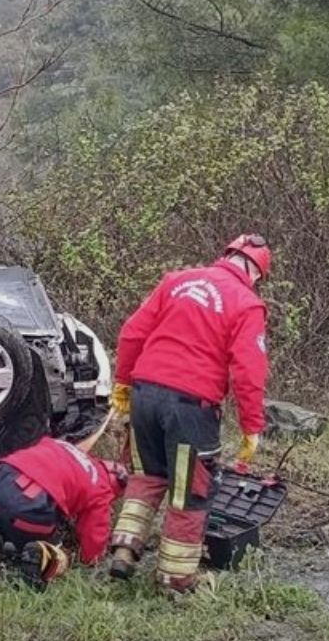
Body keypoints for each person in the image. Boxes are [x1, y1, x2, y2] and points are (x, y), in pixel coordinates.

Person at [105, 234, 271, 593]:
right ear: (257, 273)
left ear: (226, 254)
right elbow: (248, 371)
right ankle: (176, 578)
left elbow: (132, 333)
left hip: (145, 394)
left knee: (146, 476)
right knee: (189, 491)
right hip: (190, 407)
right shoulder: (247, 304)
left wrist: (122, 385)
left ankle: (124, 549)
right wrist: (251, 427)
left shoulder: (176, 280)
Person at [0, 433, 123, 590]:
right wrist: (92, 562)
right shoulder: (102, 489)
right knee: (60, 554)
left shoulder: (62, 445)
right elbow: (93, 537)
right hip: (33, 513)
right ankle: (43, 558)